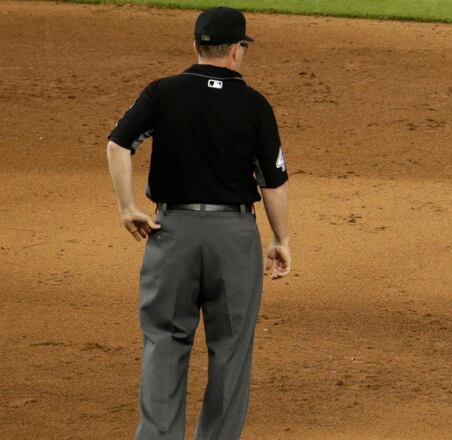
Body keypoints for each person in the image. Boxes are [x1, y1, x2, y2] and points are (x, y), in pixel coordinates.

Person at [106, 7, 291, 438]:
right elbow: (274, 182)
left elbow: (118, 145)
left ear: (196, 46)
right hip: (234, 238)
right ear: (238, 51)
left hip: (172, 235)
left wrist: (128, 207)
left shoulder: (163, 92)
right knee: (230, 351)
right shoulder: (254, 104)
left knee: (164, 343)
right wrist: (282, 238)